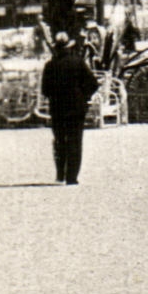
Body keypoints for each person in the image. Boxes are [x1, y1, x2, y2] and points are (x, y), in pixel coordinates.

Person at [39, 32, 100, 185]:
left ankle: (60, 174)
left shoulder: (50, 65)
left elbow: (45, 90)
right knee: (75, 141)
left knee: (59, 141)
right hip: (76, 108)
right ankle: (72, 177)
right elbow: (93, 83)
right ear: (69, 46)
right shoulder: (78, 62)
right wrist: (84, 96)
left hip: (57, 108)